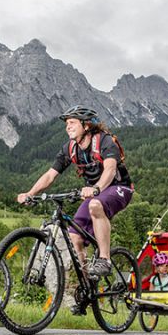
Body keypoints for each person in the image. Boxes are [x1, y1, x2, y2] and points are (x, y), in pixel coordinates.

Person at [17, 105, 134, 314]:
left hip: (119, 189)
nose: (67, 127)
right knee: (75, 238)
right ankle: (87, 288)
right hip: (94, 192)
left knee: (96, 205)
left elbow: (110, 169)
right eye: (66, 124)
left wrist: (96, 188)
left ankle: (105, 259)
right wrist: (30, 193)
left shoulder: (105, 141)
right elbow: (50, 175)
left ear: (86, 125)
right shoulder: (70, 148)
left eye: (72, 123)